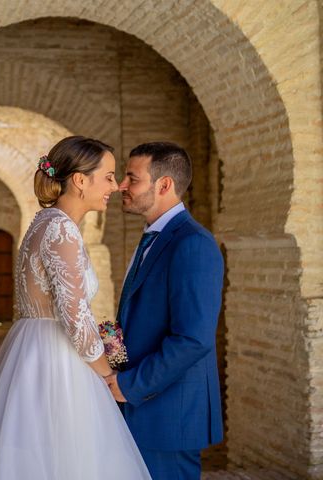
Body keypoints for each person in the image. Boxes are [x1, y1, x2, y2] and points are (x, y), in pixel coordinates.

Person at [0, 136, 151, 479]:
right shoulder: (60, 229)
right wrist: (106, 373)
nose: (115, 187)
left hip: (33, 347)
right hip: (56, 358)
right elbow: (74, 316)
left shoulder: (46, 223)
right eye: (108, 176)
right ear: (80, 180)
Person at [106, 142, 224, 479]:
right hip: (144, 406)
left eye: (132, 178)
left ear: (164, 185)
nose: (122, 187)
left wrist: (130, 385)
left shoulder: (192, 244)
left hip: (171, 411)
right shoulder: (152, 237)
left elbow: (193, 339)